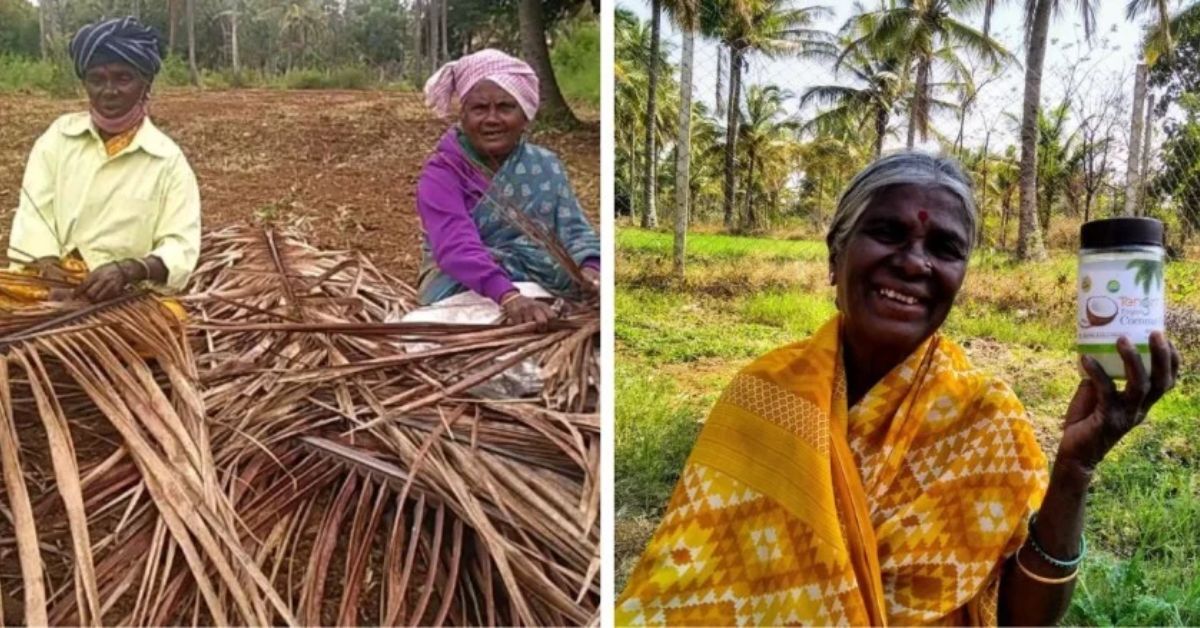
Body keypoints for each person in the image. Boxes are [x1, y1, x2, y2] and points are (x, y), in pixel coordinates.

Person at [616, 153, 1181, 626]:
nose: (914, 262)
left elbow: (1021, 619)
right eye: (887, 232)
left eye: (944, 247)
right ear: (836, 256)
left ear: (960, 277)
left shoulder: (986, 422)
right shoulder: (763, 396)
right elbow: (686, 590)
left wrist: (1075, 469)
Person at [6, 16, 200, 305]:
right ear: (85, 83)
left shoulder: (167, 160)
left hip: (122, 295)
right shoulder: (58, 138)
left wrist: (127, 270)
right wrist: (50, 273)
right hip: (46, 282)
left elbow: (181, 245)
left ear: (145, 84)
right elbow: (35, 213)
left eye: (123, 78)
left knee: (168, 323)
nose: (109, 90)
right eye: (97, 79)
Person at [416, 48, 600, 327]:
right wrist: (509, 297)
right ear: (463, 116)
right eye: (479, 108)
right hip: (462, 285)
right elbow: (455, 244)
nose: (492, 119)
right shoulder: (443, 172)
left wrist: (590, 271)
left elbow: (574, 231)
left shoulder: (546, 166)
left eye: (505, 107)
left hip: (546, 280)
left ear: (525, 115)